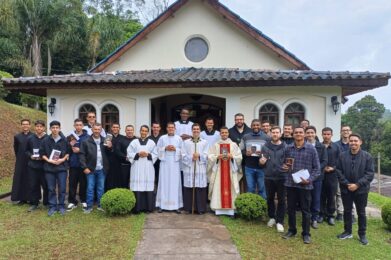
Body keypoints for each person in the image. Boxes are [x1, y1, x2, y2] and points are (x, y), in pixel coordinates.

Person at [282, 126, 320, 244]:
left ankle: (306, 233)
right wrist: (283, 167)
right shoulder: (288, 148)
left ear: (304, 134)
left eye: (300, 132)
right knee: (291, 209)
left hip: (305, 185)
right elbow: (283, 164)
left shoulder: (311, 149)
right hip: (290, 183)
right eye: (296, 132)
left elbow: (317, 169)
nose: (298, 134)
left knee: (305, 210)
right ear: (293, 135)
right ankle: (292, 230)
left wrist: (309, 179)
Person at [336, 133, 374, 245]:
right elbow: (338, 171)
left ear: (360, 142)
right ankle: (347, 231)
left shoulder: (367, 156)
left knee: (361, 212)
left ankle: (362, 234)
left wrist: (357, 184)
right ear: (349, 142)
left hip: (361, 190)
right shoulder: (342, 156)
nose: (353, 143)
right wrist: (347, 184)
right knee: (347, 211)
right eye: (351, 141)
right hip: (346, 189)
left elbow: (370, 174)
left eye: (355, 141)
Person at [208, 126, 242, 216]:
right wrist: (216, 157)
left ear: (228, 133)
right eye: (222, 132)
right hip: (219, 171)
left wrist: (232, 157)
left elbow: (239, 157)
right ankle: (217, 208)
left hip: (230, 170)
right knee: (218, 187)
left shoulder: (234, 145)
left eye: (226, 132)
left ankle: (232, 209)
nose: (224, 134)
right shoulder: (216, 145)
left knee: (231, 188)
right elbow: (210, 156)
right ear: (220, 134)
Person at [79, 123, 112, 213]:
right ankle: (89, 207)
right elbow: (81, 156)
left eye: (98, 129)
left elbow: (109, 154)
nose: (97, 131)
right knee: (90, 188)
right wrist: (84, 167)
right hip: (90, 169)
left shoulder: (105, 140)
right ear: (92, 130)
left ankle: (100, 205)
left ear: (101, 130)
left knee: (101, 188)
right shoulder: (85, 141)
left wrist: (110, 147)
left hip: (102, 169)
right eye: (95, 129)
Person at [40, 121, 70, 216]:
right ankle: (52, 206)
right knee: (51, 188)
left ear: (60, 128)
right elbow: (42, 154)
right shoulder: (45, 140)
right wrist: (49, 160)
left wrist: (62, 159)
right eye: (53, 127)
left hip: (62, 168)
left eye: (57, 127)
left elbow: (68, 152)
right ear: (50, 129)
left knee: (62, 188)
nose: (55, 129)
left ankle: (61, 206)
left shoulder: (64, 140)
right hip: (49, 168)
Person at [259, 126, 286, 232]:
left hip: (282, 177)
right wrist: (261, 162)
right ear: (270, 133)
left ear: (280, 134)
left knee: (281, 200)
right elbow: (262, 162)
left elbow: (288, 161)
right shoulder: (265, 147)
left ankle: (280, 221)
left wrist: (287, 167)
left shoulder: (286, 147)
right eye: (273, 132)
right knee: (269, 198)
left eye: (277, 132)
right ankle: (272, 217)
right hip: (269, 176)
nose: (275, 134)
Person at [127, 125, 157, 213]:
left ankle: (148, 208)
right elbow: (129, 153)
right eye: (142, 131)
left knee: (147, 186)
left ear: (148, 132)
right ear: (140, 131)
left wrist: (148, 155)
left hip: (148, 167)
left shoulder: (151, 142)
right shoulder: (134, 142)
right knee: (137, 186)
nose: (143, 132)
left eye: (145, 131)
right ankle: (137, 208)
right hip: (137, 167)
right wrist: (137, 154)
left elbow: (156, 153)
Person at [181, 123, 209, 214]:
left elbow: (207, 155)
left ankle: (200, 209)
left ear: (200, 130)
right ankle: (189, 208)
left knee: (200, 188)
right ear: (192, 130)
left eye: (197, 129)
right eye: (194, 129)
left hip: (200, 168)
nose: (196, 131)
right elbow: (182, 155)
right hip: (190, 168)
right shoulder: (186, 142)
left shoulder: (204, 142)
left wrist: (200, 156)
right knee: (190, 187)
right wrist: (191, 158)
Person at [156, 122, 183, 213]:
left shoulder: (179, 138)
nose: (171, 129)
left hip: (175, 163)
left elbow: (183, 151)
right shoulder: (162, 138)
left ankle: (176, 206)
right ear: (166, 128)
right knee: (164, 182)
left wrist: (176, 149)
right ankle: (162, 205)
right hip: (165, 162)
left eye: (172, 127)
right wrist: (165, 148)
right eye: (169, 127)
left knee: (175, 183)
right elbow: (157, 150)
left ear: (175, 128)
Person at [239, 119, 270, 199]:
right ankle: (251, 208)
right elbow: (240, 150)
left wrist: (263, 154)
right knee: (250, 189)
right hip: (249, 167)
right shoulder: (245, 137)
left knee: (262, 189)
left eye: (257, 125)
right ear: (251, 126)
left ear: (260, 126)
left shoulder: (266, 137)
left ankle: (263, 208)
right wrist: (246, 152)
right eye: (254, 125)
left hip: (262, 168)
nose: (256, 126)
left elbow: (270, 152)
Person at [305, 126, 327, 229]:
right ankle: (307, 217)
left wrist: (315, 170)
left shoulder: (321, 146)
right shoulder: (302, 145)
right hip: (305, 177)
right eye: (308, 133)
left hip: (317, 177)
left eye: (312, 132)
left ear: (315, 133)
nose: (310, 134)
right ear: (305, 134)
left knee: (316, 198)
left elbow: (324, 161)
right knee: (306, 197)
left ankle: (314, 218)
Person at [25, 120, 48, 212]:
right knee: (33, 185)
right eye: (37, 126)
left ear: (44, 128)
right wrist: (31, 156)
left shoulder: (48, 138)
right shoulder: (30, 138)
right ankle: (34, 203)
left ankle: (47, 203)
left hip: (45, 166)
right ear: (35, 127)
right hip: (33, 166)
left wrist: (44, 157)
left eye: (41, 126)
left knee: (46, 185)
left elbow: (50, 151)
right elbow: (26, 151)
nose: (39, 128)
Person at [66, 119, 89, 211]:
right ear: (74, 126)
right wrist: (69, 145)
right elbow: (65, 151)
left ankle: (83, 200)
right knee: (72, 183)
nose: (78, 126)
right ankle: (72, 201)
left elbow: (90, 151)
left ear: (82, 126)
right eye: (76, 125)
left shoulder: (87, 137)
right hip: (73, 164)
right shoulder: (70, 137)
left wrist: (80, 151)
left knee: (83, 183)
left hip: (83, 164)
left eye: (80, 125)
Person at [320, 127, 340, 225]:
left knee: (331, 196)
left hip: (332, 175)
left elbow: (340, 161)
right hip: (321, 175)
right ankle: (321, 214)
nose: (326, 136)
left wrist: (333, 168)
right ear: (322, 135)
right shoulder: (318, 146)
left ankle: (330, 215)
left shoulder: (337, 147)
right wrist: (321, 168)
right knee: (321, 195)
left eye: (328, 134)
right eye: (324, 134)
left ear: (331, 135)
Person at [11, 119, 33, 204]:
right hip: (20, 161)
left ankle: (31, 198)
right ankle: (22, 198)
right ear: (21, 125)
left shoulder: (33, 136)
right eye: (23, 124)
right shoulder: (17, 137)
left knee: (31, 179)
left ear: (30, 125)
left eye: (27, 124)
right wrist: (19, 157)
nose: (25, 126)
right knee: (20, 179)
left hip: (31, 160)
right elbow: (16, 149)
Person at [228, 113, 252, 193]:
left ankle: (245, 202)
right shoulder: (230, 131)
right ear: (235, 120)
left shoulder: (250, 131)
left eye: (241, 119)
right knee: (235, 182)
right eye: (237, 119)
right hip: (234, 161)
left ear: (243, 120)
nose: (239, 121)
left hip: (247, 161)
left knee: (247, 182)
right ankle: (235, 201)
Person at [335, 125, 352, 221]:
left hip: (352, 173)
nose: (345, 132)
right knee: (339, 193)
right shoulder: (336, 145)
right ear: (340, 132)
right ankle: (340, 213)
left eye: (347, 130)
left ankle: (351, 214)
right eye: (343, 130)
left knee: (352, 193)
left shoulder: (354, 143)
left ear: (350, 132)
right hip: (340, 172)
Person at [116, 125, 137, 189]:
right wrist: (126, 157)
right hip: (124, 165)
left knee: (135, 182)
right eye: (128, 130)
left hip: (135, 165)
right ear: (125, 131)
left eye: (131, 130)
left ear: (133, 131)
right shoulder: (120, 140)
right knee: (124, 182)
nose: (129, 131)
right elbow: (117, 151)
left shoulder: (137, 140)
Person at [105, 123, 122, 191]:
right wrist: (109, 148)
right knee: (109, 179)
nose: (115, 128)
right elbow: (105, 150)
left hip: (120, 162)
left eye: (117, 127)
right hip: (110, 162)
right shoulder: (108, 137)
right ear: (111, 128)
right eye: (114, 127)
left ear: (119, 129)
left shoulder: (122, 137)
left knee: (119, 179)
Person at [148, 122, 162, 190]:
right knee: (151, 178)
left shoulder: (163, 138)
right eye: (154, 127)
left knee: (160, 178)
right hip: (151, 162)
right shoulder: (148, 138)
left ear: (159, 128)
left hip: (160, 162)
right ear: (152, 128)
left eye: (157, 127)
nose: (156, 129)